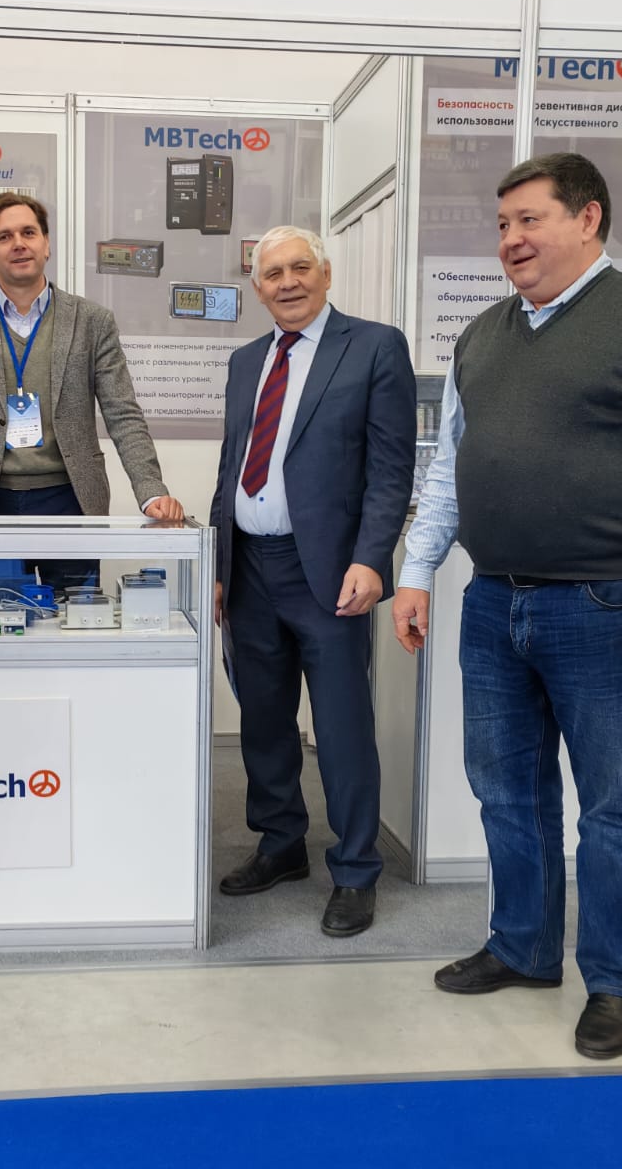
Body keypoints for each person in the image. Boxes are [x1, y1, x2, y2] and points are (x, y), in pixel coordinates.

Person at [390, 153, 622, 1059]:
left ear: (588, 219)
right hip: (494, 602)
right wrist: (417, 569)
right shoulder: (481, 336)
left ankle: (618, 983)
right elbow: (450, 468)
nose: (511, 239)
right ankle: (523, 948)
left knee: (613, 806)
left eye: (530, 220)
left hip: (610, 604)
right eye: (502, 224)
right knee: (505, 790)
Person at [210, 225, 415, 938]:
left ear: (326, 275)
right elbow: (232, 465)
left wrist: (372, 558)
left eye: (301, 268)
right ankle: (281, 843)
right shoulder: (245, 361)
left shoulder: (375, 347)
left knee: (341, 725)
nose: (288, 282)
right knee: (264, 719)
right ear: (257, 287)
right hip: (249, 568)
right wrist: (219, 566)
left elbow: (391, 469)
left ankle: (355, 869)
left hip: (329, 570)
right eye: (273, 274)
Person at [0, 194, 184, 593]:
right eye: (4, 236)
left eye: (29, 233)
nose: (19, 244)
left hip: (71, 501)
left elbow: (123, 414)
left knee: (75, 621)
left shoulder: (92, 321)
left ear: (46, 244)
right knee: (5, 619)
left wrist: (151, 491)